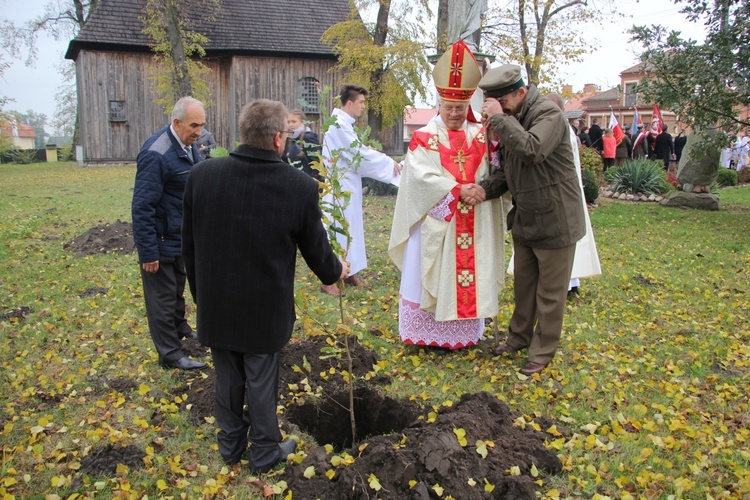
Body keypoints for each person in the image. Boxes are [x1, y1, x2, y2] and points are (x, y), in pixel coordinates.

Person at [182, 99, 350, 472]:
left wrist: (201, 295)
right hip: (264, 307)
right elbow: (316, 251)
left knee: (226, 374)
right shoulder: (298, 187)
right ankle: (264, 451)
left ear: (244, 134)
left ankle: (230, 447)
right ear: (278, 139)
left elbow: (188, 247)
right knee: (260, 379)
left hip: (216, 301)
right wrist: (336, 271)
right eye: (286, 134)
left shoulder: (202, 176)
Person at [388, 40, 506, 351]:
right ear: (439, 103)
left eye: (461, 108)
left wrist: (488, 167)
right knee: (434, 272)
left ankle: (465, 334)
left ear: (470, 105)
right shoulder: (423, 138)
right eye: (449, 107)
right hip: (439, 223)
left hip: (475, 218)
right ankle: (428, 335)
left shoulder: (483, 132)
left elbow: (496, 168)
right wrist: (456, 190)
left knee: (470, 273)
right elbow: (419, 179)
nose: (454, 114)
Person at [476, 64, 585, 376]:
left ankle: (542, 351)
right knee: (524, 287)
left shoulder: (548, 114)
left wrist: (499, 118)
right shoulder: (515, 117)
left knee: (550, 294)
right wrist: (483, 190)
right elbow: (511, 171)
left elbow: (531, 149)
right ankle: (518, 338)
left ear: (520, 92)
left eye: (502, 102)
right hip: (526, 219)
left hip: (555, 220)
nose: (498, 109)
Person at [131, 96, 206, 371]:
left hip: (179, 237)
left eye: (201, 125)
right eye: (194, 125)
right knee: (161, 299)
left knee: (176, 290)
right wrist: (148, 251)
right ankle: (171, 355)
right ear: (176, 122)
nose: (199, 132)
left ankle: (181, 329)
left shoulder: (188, 146)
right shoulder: (157, 154)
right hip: (160, 241)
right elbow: (142, 206)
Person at [321, 84, 402, 295]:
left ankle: (350, 271)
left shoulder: (346, 125)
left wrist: (368, 150)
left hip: (349, 186)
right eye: (361, 102)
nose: (364, 106)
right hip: (338, 188)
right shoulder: (338, 125)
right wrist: (387, 162)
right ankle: (328, 279)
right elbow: (357, 155)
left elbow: (356, 152)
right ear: (350, 103)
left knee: (351, 228)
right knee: (337, 229)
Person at [285, 109, 324, 181]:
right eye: (288, 122)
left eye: (294, 121)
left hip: (309, 183)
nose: (290, 124)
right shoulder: (293, 140)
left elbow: (318, 163)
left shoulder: (308, 137)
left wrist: (312, 182)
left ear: (303, 122)